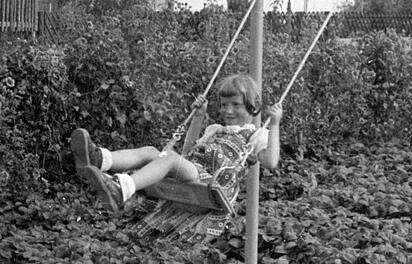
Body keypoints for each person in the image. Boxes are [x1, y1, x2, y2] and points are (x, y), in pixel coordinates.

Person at [70, 74, 283, 212]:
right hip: (192, 170)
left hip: (210, 181)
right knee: (150, 151)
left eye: (236, 105)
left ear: (253, 107)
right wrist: (198, 117)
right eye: (224, 104)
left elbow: (271, 162)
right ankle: (100, 158)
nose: (228, 111)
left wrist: (274, 125)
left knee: (170, 159)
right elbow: (189, 151)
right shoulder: (214, 129)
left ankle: (122, 190)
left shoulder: (256, 135)